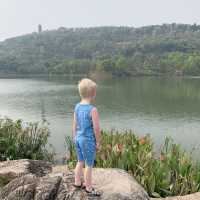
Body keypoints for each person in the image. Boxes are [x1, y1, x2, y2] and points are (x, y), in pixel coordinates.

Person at [72, 78, 101, 196]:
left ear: (81, 93)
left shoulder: (77, 107)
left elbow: (74, 124)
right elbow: (96, 129)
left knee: (80, 161)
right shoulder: (93, 110)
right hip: (87, 141)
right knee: (89, 165)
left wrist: (74, 136)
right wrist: (98, 141)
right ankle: (89, 188)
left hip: (78, 138)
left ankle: (77, 182)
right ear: (93, 94)